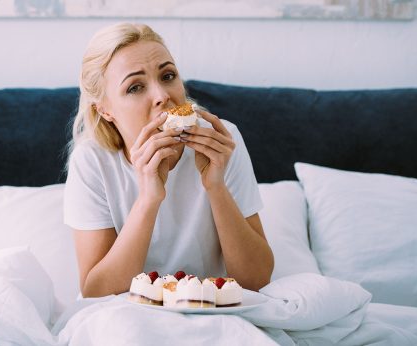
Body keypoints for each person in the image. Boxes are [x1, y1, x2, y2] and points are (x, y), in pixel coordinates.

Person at [64, 22, 273, 298]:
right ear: (104, 110)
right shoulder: (92, 161)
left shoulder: (222, 140)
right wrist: (149, 199)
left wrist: (216, 186)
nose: (163, 96)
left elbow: (256, 281)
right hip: (128, 314)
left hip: (208, 308)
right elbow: (97, 293)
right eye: (135, 87)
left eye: (168, 76)